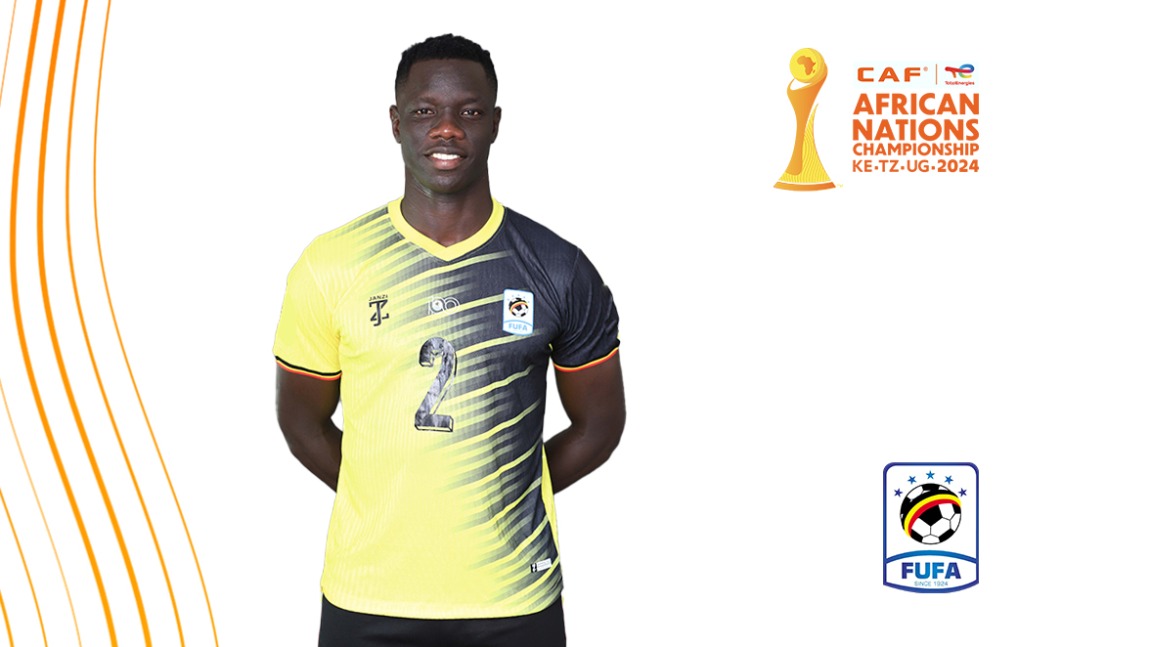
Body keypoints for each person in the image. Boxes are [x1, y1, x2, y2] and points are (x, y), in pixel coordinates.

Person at [273, 34, 625, 647]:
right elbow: (301, 424)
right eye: (425, 111)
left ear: (495, 123)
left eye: (468, 111)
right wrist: (389, 495)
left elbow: (600, 426)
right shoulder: (331, 264)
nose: (447, 129)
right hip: (369, 594)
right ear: (395, 123)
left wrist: (505, 492)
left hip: (514, 595)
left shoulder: (558, 267)